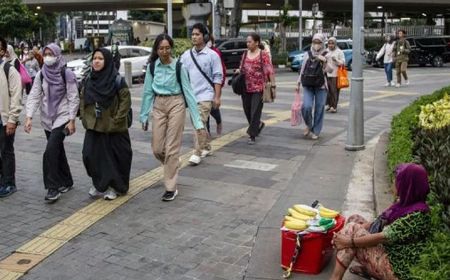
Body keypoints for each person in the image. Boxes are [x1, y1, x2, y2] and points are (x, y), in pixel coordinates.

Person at [330, 163, 431, 280]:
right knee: (354, 219)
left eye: (397, 181)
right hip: (391, 251)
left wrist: (348, 241)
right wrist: (356, 231)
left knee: (352, 229)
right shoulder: (407, 204)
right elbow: (380, 222)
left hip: (396, 269)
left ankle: (335, 278)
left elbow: (382, 237)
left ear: (408, 185)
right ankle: (369, 269)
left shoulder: (416, 215)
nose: (394, 183)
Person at [140, 33, 205, 201]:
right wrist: (144, 115)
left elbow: (189, 94)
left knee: (171, 147)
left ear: (171, 48)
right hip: (158, 105)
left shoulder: (179, 67)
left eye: (167, 48)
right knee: (157, 148)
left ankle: (170, 187)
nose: (164, 51)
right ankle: (173, 164)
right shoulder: (152, 67)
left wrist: (197, 121)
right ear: (156, 49)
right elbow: (147, 92)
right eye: (161, 48)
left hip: (176, 103)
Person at [24, 43, 79, 202]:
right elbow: (34, 95)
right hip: (47, 118)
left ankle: (52, 188)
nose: (48, 57)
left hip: (62, 117)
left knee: (50, 151)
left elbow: (73, 97)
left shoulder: (66, 73)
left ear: (57, 54)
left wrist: (72, 120)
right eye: (45, 54)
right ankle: (67, 181)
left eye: (51, 53)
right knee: (57, 149)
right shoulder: (42, 74)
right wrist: (28, 117)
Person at [80, 48, 132, 201]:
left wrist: (116, 119)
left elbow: (125, 101)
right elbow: (83, 98)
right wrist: (84, 116)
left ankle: (113, 187)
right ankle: (99, 183)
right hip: (94, 125)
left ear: (107, 61)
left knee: (113, 158)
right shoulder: (90, 79)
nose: (96, 61)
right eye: (94, 58)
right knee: (89, 155)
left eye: (100, 59)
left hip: (112, 127)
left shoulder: (116, 80)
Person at [180, 23, 223, 165]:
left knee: (199, 123)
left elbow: (218, 76)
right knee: (198, 124)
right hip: (191, 96)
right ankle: (206, 146)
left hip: (206, 95)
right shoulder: (186, 55)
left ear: (204, 36)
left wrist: (217, 97)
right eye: (192, 34)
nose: (194, 37)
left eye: (197, 34)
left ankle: (196, 153)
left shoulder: (213, 56)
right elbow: (181, 75)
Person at [236, 32, 276, 145]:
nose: (247, 44)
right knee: (247, 111)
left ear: (257, 43)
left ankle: (252, 135)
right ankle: (258, 124)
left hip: (258, 88)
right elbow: (241, 67)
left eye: (250, 42)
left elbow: (270, 70)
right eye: (247, 42)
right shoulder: (244, 54)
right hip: (245, 88)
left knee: (255, 112)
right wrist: (239, 71)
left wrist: (273, 85)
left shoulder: (263, 55)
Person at [0, 37, 22, 198]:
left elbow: (16, 96)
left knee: (6, 151)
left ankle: (9, 183)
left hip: (4, 119)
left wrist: (12, 119)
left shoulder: (9, 70)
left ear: (2, 51)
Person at [296, 33, 329, 140]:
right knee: (306, 106)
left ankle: (316, 130)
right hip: (308, 84)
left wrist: (324, 62)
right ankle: (309, 125)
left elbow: (331, 70)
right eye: (315, 42)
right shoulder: (308, 53)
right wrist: (298, 83)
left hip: (321, 86)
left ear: (323, 43)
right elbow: (302, 69)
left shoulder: (327, 54)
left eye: (319, 42)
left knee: (319, 108)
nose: (316, 45)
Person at [206, 34, 226, 137]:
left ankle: (219, 121)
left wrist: (219, 86)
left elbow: (221, 70)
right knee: (204, 110)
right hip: (202, 88)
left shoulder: (215, 53)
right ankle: (207, 132)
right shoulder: (195, 53)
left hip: (213, 86)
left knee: (213, 108)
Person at [325, 37, 345, 113]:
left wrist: (336, 60)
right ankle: (329, 105)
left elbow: (343, 62)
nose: (330, 45)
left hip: (335, 74)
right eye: (329, 43)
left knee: (334, 91)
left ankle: (334, 106)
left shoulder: (339, 52)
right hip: (326, 73)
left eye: (332, 43)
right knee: (327, 91)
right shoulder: (326, 51)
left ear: (335, 44)